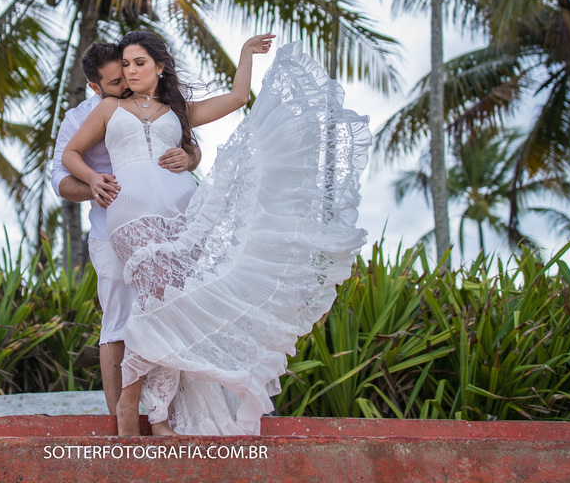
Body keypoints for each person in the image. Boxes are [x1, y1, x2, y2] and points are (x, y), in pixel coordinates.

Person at [62, 31, 371, 436]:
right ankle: (129, 405)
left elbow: (238, 99)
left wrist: (245, 54)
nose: (130, 70)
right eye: (126, 64)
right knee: (152, 303)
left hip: (182, 213)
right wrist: (94, 179)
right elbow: (70, 154)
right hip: (128, 214)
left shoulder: (177, 110)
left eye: (139, 63)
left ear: (160, 66)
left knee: (174, 308)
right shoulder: (106, 107)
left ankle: (157, 417)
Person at [49, 41, 200, 416]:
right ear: (96, 88)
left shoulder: (155, 103)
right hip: (109, 231)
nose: (128, 82)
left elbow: (187, 142)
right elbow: (59, 177)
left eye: (131, 70)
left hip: (164, 228)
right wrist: (94, 186)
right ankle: (122, 420)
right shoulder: (81, 116)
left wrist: (192, 157)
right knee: (118, 320)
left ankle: (166, 412)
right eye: (117, 81)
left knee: (170, 308)